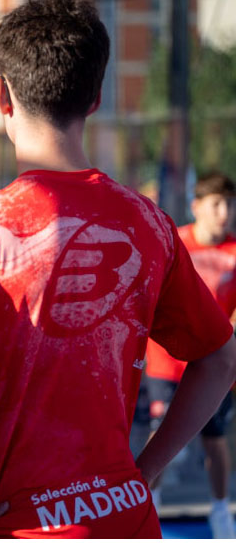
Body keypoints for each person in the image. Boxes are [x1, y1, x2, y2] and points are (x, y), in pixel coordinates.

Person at [0, 0, 236, 538]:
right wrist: (144, 470)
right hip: (125, 518)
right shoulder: (150, 224)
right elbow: (220, 359)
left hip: (18, 527)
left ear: (2, 95)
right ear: (96, 97)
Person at [145, 172, 236, 538]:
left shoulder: (236, 252)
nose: (224, 212)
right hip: (167, 364)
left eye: (230, 205)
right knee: (160, 432)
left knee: (215, 439)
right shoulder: (175, 242)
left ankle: (221, 511)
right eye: (216, 204)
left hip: (213, 366)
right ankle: (147, 504)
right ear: (197, 207)